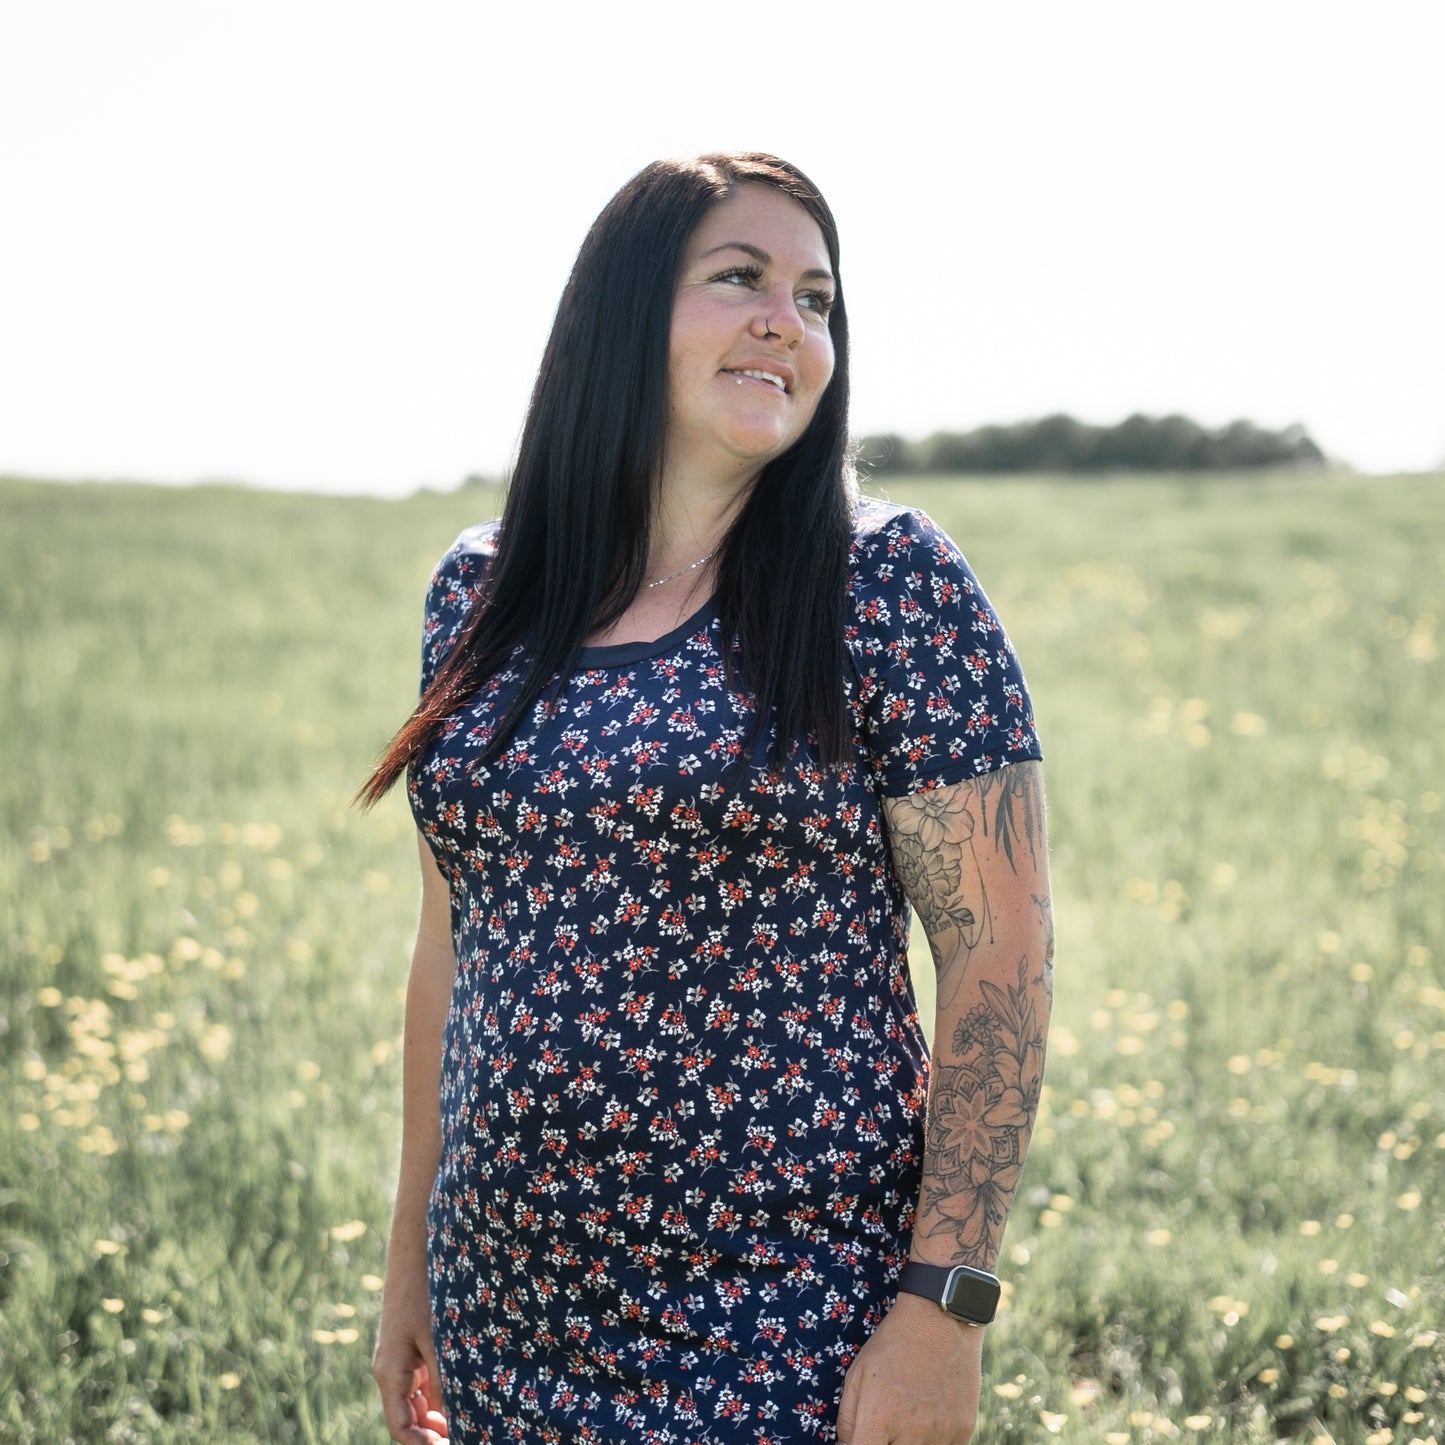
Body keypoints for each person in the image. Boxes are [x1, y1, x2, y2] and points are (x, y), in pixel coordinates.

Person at [360, 152, 1053, 1445]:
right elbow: (452, 944)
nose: (784, 322)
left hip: (779, 1323)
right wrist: (411, 1255)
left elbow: (997, 954)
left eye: (814, 296)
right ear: (620, 315)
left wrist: (941, 1308)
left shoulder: (888, 582)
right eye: (738, 277)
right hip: (507, 1312)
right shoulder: (481, 591)